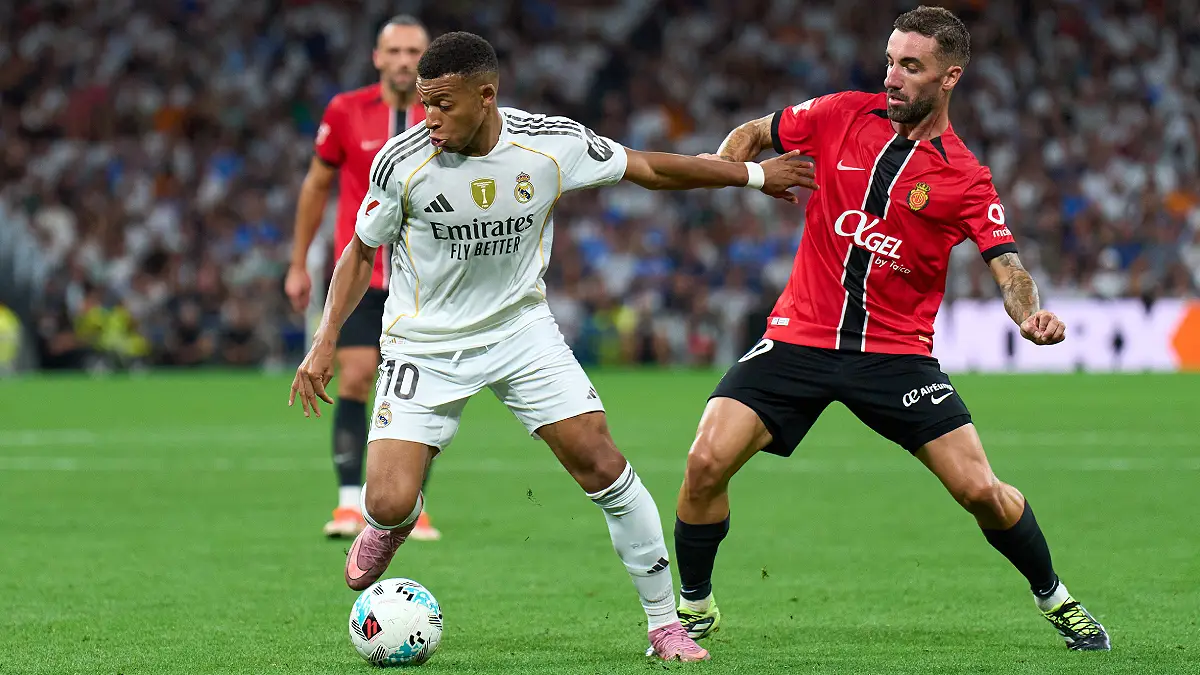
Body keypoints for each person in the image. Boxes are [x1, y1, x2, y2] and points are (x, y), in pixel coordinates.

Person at [289, 31, 817, 662]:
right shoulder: (403, 161)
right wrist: (324, 342)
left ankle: (663, 623)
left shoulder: (549, 143)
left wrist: (751, 174)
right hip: (424, 343)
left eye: (443, 105)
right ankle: (392, 522)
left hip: (520, 331)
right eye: (424, 103)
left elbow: (646, 167)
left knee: (601, 461)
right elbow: (360, 251)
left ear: (486, 97)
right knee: (388, 498)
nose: (428, 118)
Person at [671, 5, 1110, 653]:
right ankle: (695, 605)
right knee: (705, 460)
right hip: (799, 337)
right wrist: (741, 172)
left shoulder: (963, 176)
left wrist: (1029, 314)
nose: (893, 77)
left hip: (895, 356)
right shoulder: (841, 113)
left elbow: (1008, 264)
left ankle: (1056, 596)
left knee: (981, 490)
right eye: (890, 61)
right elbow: (753, 131)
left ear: (949, 77)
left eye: (911, 66)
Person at [285, 15, 440, 541]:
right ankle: (350, 504)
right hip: (363, 274)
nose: (403, 60)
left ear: (427, 57)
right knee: (354, 376)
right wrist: (298, 262)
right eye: (393, 50)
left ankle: (409, 506)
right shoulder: (346, 110)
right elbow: (315, 186)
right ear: (377, 57)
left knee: (420, 391)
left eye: (413, 51)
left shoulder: (445, 114)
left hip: (426, 280)